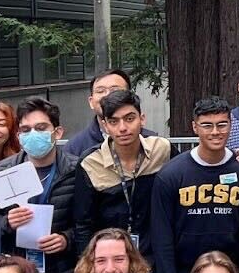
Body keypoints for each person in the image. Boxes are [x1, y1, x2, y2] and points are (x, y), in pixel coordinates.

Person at [151, 96, 239, 273]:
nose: (215, 132)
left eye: (222, 124)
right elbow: (162, 236)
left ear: (230, 125)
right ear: (194, 127)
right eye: (207, 125)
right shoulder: (171, 175)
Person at [0, 99, 81, 273]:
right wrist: (6, 223)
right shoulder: (1, 173)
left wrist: (66, 239)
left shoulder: (76, 171)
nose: (33, 134)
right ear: (18, 136)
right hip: (17, 272)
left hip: (62, 272)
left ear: (57, 132)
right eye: (26, 130)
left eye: (41, 128)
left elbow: (92, 222)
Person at [71, 88, 173, 261]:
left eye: (129, 119)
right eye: (113, 121)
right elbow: (83, 224)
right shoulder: (90, 163)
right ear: (105, 125)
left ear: (142, 119)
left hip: (156, 252)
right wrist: (88, 265)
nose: (123, 128)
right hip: (111, 257)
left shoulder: (162, 149)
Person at [65, 68, 159, 159]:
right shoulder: (75, 148)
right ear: (91, 102)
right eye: (100, 91)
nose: (107, 95)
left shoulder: (155, 145)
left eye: (115, 90)